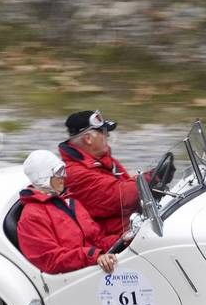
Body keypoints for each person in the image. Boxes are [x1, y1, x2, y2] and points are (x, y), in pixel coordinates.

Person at [16, 149, 118, 274]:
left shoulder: (70, 202)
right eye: (59, 172)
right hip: (71, 278)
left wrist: (123, 239)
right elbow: (51, 260)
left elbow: (96, 240)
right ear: (44, 177)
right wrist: (94, 256)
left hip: (88, 269)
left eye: (63, 170)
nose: (64, 176)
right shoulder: (32, 216)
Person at [58, 110, 139, 240]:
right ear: (88, 139)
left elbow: (129, 187)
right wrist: (148, 180)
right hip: (110, 241)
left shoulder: (105, 160)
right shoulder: (74, 173)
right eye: (103, 132)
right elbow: (119, 196)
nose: (107, 135)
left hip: (131, 226)